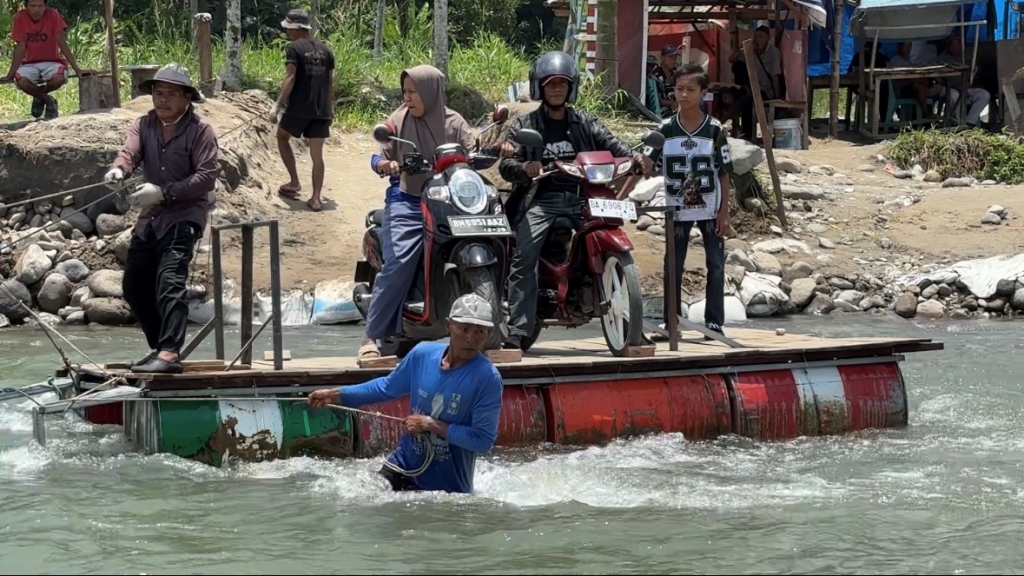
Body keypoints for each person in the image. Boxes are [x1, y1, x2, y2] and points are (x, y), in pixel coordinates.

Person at [499, 50, 652, 351]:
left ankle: (632, 324)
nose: (557, 89)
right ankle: (517, 330)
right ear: (540, 87)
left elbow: (612, 143)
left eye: (562, 84)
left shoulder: (584, 120)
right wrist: (525, 168)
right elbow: (507, 164)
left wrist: (634, 157)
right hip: (543, 199)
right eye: (551, 84)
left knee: (609, 230)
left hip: (585, 196)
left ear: (571, 87)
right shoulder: (526, 124)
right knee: (524, 256)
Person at [358, 64, 511, 361]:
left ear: (431, 92)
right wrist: (386, 165)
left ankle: (500, 325)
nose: (407, 98)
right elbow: (378, 155)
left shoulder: (454, 121)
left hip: (449, 198)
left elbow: (473, 154)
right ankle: (371, 337)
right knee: (399, 261)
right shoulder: (398, 120)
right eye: (405, 92)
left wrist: (496, 149)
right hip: (408, 201)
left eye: (413, 92)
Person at [308, 293, 504, 494]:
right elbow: (386, 387)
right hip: (403, 465)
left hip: (446, 488)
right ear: (448, 325)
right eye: (464, 329)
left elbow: (483, 441)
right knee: (359, 497)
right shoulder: (422, 355)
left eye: (480, 331)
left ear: (489, 333)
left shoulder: (487, 378)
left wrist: (430, 425)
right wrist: (337, 394)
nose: (471, 338)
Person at [104, 64, 221, 374]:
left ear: (187, 98)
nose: (163, 99)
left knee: (170, 280)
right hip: (151, 219)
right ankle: (160, 347)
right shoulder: (143, 125)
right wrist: (118, 170)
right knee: (134, 285)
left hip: (184, 216)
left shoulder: (201, 131)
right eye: (158, 93)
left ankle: (169, 353)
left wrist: (163, 192)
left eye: (170, 94)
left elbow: (207, 177)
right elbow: (129, 154)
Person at [650, 65, 732, 339]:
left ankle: (714, 322)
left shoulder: (714, 130)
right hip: (676, 210)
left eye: (691, 89)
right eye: (679, 89)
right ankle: (671, 321)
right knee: (673, 264)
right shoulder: (664, 129)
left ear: (703, 92)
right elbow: (646, 164)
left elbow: (724, 172)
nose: (684, 95)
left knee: (716, 264)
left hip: (709, 208)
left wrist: (724, 211)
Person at [270, 9, 335, 212]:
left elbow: (290, 77)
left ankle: (294, 182)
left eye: (289, 28)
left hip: (299, 108)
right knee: (317, 155)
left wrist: (277, 105)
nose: (288, 32)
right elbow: (329, 82)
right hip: (321, 110)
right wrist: (329, 108)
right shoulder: (326, 50)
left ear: (295, 28)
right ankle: (316, 198)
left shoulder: (294, 48)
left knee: (282, 137)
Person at [3, 0, 92, 119]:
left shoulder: (53, 14)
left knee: (58, 79)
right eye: (32, 6)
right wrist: (11, 74)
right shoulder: (19, 17)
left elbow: (62, 42)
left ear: (45, 6)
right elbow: (20, 47)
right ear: (26, 6)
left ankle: (39, 96)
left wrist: (77, 69)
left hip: (53, 61)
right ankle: (48, 101)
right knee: (22, 81)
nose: (36, 10)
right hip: (29, 63)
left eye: (40, 6)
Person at [728, 26, 782, 141]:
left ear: (768, 39)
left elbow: (775, 76)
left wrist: (776, 97)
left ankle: (747, 134)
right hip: (750, 87)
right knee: (737, 66)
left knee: (747, 101)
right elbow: (732, 59)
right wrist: (742, 47)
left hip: (764, 90)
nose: (757, 39)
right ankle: (738, 129)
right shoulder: (751, 51)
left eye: (761, 37)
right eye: (756, 36)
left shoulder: (773, 52)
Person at [888, 41, 958, 122]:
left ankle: (939, 117)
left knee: (931, 86)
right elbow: (900, 78)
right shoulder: (895, 61)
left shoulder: (908, 61)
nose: (908, 49)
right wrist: (916, 79)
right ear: (899, 47)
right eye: (906, 46)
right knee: (918, 86)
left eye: (909, 46)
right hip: (902, 90)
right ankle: (926, 114)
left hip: (912, 88)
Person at [936, 36, 990, 128]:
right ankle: (956, 122)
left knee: (984, 95)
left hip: (966, 87)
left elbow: (975, 72)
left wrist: (969, 83)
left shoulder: (968, 56)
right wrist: (955, 86)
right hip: (949, 88)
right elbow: (938, 77)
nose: (955, 47)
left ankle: (970, 122)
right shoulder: (942, 58)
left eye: (957, 44)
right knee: (954, 95)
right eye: (952, 44)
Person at [648, 45, 678, 117]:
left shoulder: (675, 75)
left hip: (675, 110)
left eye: (675, 57)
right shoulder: (655, 76)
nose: (673, 60)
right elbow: (658, 100)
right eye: (670, 57)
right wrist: (674, 104)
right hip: (662, 113)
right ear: (662, 58)